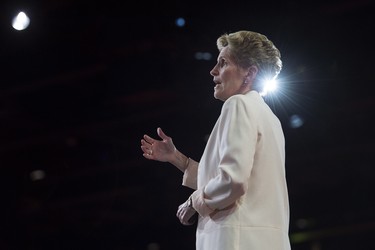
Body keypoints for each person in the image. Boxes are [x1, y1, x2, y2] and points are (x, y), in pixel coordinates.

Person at [140, 30, 291, 250]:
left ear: (249, 74)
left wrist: (195, 200)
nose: (213, 71)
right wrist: (177, 158)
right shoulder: (270, 118)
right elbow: (233, 178)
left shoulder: (237, 104)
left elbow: (233, 181)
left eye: (223, 63)